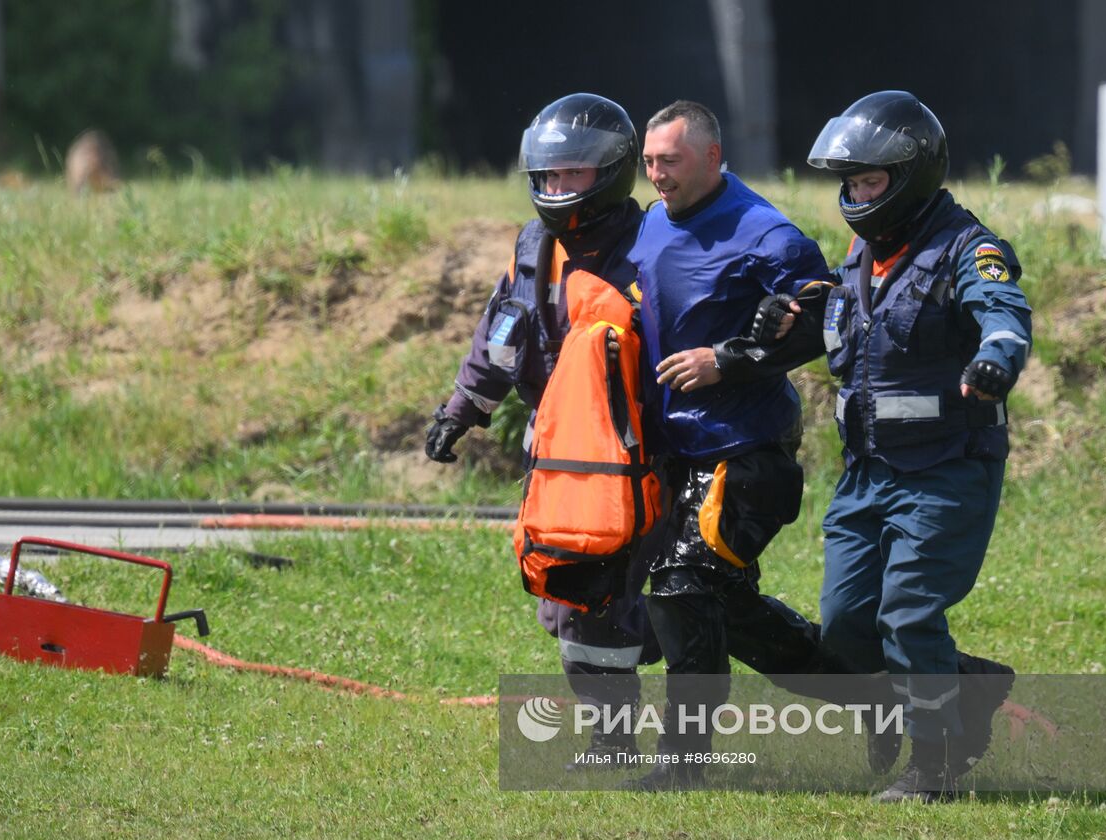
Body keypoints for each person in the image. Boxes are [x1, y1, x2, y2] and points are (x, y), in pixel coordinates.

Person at [750, 90, 1029, 802]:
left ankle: (935, 767)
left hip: (945, 469)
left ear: (910, 175)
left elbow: (1003, 314)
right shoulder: (860, 256)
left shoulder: (970, 248)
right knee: (846, 628)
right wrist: (785, 326)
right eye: (850, 182)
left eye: (869, 181)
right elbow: (847, 336)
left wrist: (995, 360)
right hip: (866, 474)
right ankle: (966, 686)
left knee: (906, 610)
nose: (856, 194)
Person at [425, 93, 659, 767]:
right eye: (548, 176)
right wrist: (460, 411)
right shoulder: (532, 248)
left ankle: (688, 705)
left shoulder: (655, 246)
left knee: (663, 598)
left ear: (610, 173)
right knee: (571, 599)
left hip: (642, 460)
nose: (557, 188)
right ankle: (612, 738)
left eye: (573, 175)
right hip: (560, 465)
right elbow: (500, 336)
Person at [623, 99, 845, 790]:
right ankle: (892, 692)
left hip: (746, 452)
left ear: (714, 158)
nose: (658, 175)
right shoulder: (653, 221)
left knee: (685, 587)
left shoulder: (767, 235)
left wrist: (726, 358)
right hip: (677, 451)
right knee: (727, 608)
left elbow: (822, 320)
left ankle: (682, 766)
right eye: (650, 162)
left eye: (672, 161)